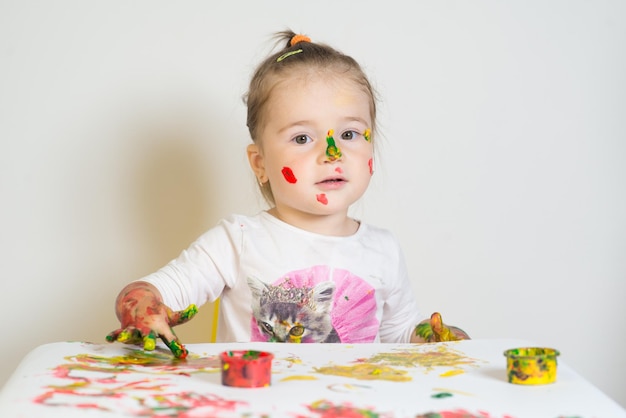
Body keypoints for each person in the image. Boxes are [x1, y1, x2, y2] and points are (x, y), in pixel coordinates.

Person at [106, 30, 470, 358]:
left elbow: (398, 336)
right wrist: (144, 308)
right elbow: (152, 291)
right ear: (260, 162)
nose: (333, 153)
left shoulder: (383, 250)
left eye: (349, 134)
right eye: (301, 138)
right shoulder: (238, 242)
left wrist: (434, 338)